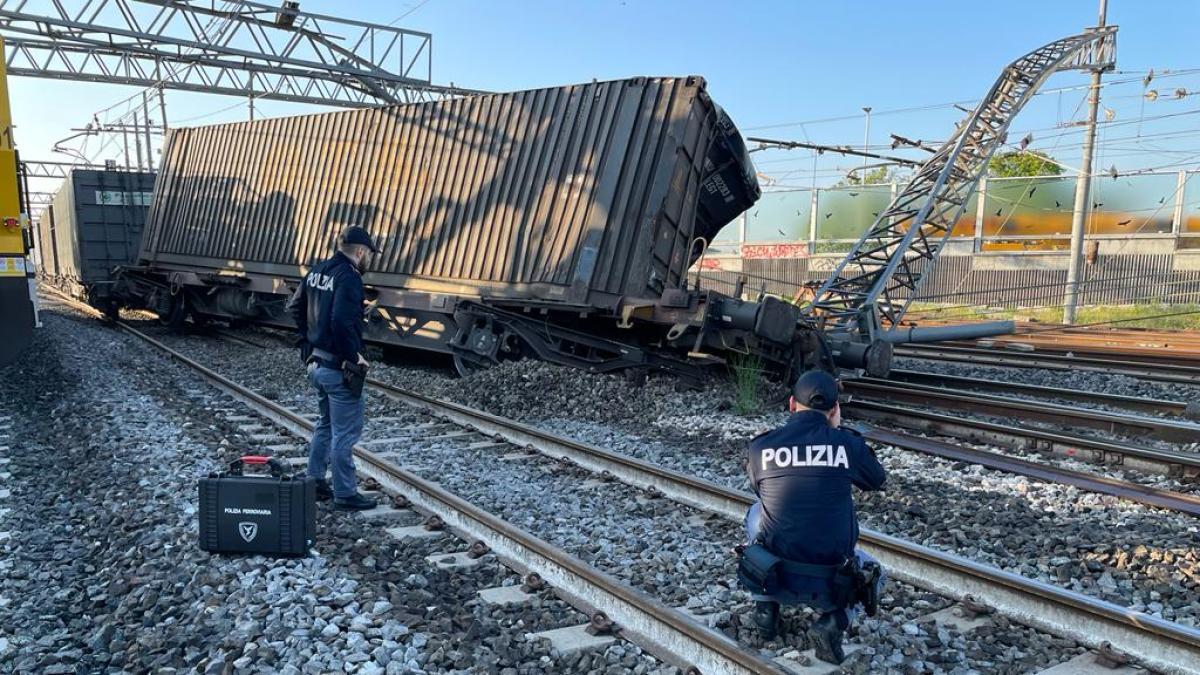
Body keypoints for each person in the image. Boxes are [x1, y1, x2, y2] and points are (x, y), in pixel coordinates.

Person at [743, 369, 887, 664]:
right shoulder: (847, 445)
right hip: (832, 584)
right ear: (834, 409)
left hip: (777, 575)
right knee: (876, 570)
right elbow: (876, 480)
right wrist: (837, 432)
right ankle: (833, 622)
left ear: (792, 404)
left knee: (757, 513)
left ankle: (765, 608)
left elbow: (757, 486)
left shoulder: (762, 446)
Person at [286, 226, 379, 511]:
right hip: (338, 368)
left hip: (316, 364)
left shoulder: (317, 270)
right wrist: (353, 356)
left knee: (325, 424)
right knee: (345, 433)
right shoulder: (349, 278)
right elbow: (339, 320)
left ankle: (314, 480)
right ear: (361, 251)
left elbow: (294, 308)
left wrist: (307, 346)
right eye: (369, 255)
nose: (369, 261)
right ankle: (345, 494)